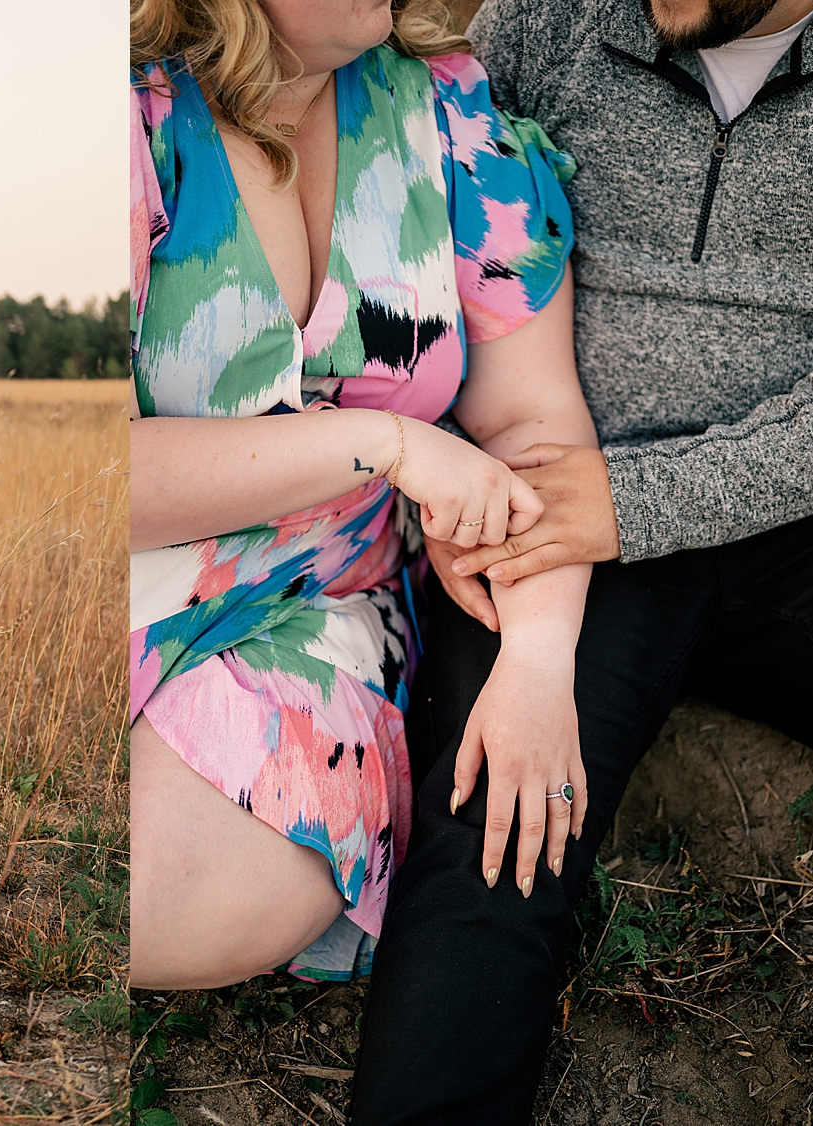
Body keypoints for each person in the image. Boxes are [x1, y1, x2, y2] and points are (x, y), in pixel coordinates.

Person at [347, 0, 813, 1120]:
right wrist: (456, 468)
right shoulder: (545, 20)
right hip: (552, 512)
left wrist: (637, 503)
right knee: (491, 826)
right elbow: (435, 255)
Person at [129, 0, 600, 988]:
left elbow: (538, 436)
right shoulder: (132, 114)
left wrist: (538, 659)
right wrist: (382, 442)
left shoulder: (448, 119)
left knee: (166, 900)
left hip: (316, 608)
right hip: (124, 576)